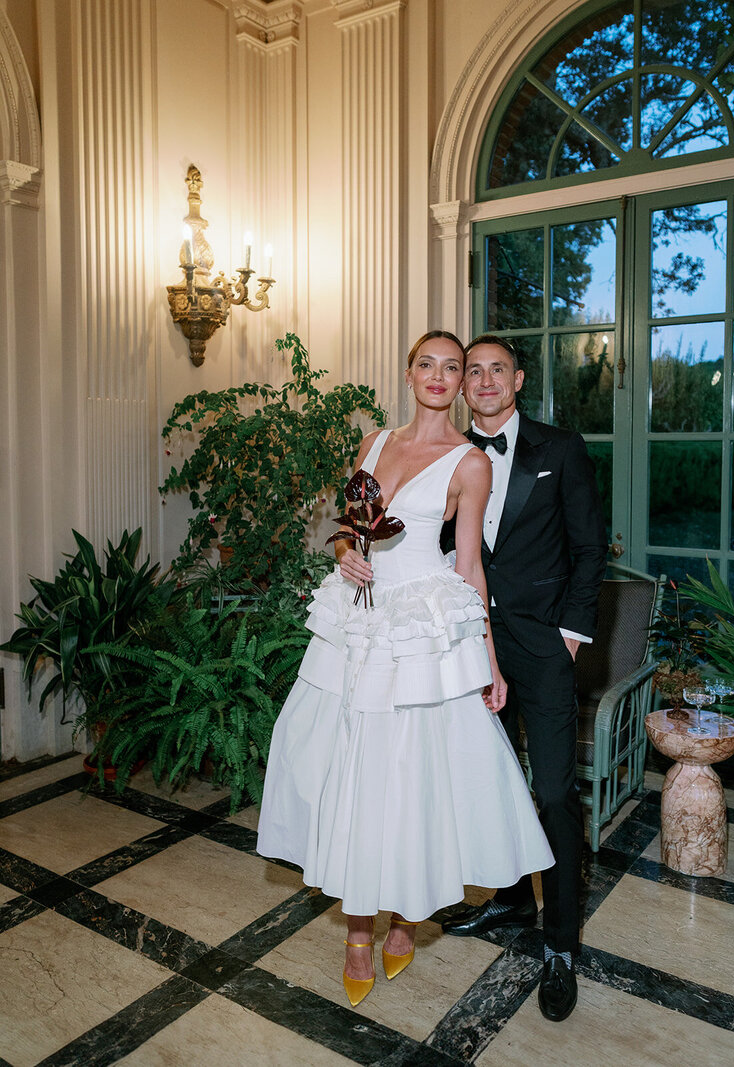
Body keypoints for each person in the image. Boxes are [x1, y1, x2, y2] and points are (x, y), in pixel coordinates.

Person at [257, 330, 553, 1008]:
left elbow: (470, 564)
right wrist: (343, 554)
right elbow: (349, 529)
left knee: (413, 771)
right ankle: (357, 930)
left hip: (421, 629)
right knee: (354, 767)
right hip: (358, 619)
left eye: (455, 368)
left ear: (459, 384)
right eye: (429, 363)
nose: (441, 376)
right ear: (410, 371)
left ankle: (403, 920)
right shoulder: (374, 444)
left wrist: (487, 658)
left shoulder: (469, 463)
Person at [441, 334, 607, 1023]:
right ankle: (509, 899)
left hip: (543, 648)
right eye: (471, 370)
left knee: (551, 793)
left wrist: (568, 637)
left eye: (495, 370)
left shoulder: (559, 448)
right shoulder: (448, 457)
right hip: (472, 644)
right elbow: (440, 546)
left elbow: (589, 545)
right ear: (461, 385)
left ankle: (561, 943)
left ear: (517, 380)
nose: (482, 380)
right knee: (493, 782)